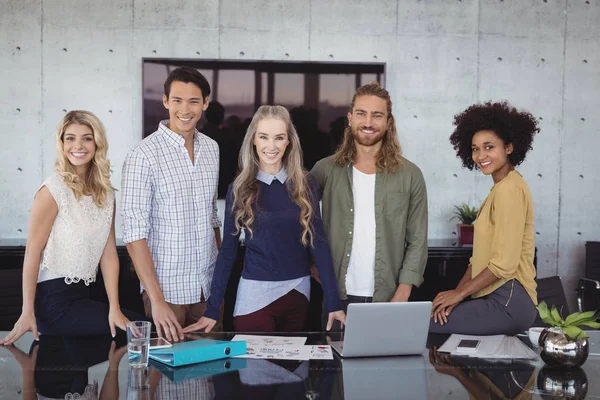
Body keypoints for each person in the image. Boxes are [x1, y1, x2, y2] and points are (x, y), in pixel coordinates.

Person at [183, 105, 346, 333]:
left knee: (292, 369)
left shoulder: (305, 183)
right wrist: (212, 309)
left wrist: (334, 303)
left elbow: (318, 243)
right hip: (255, 297)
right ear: (254, 141)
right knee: (255, 369)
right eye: (264, 137)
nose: (271, 146)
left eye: (279, 138)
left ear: (288, 142)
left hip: (298, 293)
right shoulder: (239, 188)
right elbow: (228, 252)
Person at [1, 111, 141, 346]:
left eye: (86, 138)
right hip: (53, 303)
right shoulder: (52, 189)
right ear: (62, 143)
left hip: (85, 296)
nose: (78, 145)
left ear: (97, 143)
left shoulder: (105, 195)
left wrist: (114, 308)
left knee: (137, 328)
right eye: (70, 138)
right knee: (142, 330)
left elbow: (108, 255)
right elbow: (32, 252)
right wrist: (26, 312)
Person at [310, 82, 428, 322]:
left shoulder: (410, 175)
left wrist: (402, 293)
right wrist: (310, 263)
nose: (368, 122)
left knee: (386, 361)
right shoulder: (324, 170)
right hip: (336, 299)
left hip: (389, 297)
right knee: (334, 360)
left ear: (388, 122)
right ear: (350, 118)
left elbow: (417, 239)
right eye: (362, 114)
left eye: (377, 115)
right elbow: (300, 219)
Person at [121, 66, 222, 342]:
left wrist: (220, 286)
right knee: (166, 379)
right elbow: (133, 236)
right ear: (165, 101)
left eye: (193, 100)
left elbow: (212, 217)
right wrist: (156, 300)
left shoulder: (212, 149)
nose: (185, 109)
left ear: (205, 103)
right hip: (168, 294)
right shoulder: (143, 156)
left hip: (207, 292)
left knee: (208, 377)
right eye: (177, 100)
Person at [430, 101, 539, 335]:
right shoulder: (500, 189)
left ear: (509, 147)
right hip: (497, 296)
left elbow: (504, 265)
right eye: (475, 148)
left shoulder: (510, 190)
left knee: (426, 326)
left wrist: (459, 294)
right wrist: (455, 298)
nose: (481, 155)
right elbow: (478, 260)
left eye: (489, 147)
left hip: (509, 301)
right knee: (435, 317)